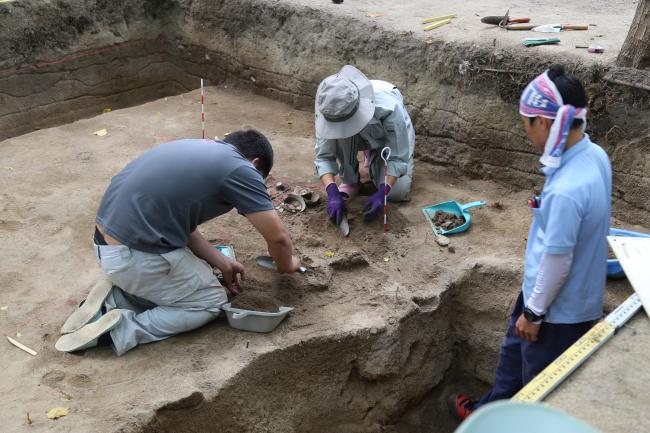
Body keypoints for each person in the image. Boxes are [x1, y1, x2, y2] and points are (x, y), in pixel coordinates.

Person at [449, 64, 612, 420]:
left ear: (545, 122)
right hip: (550, 294)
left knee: (537, 389)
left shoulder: (569, 189)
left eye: (526, 121)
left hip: (555, 313)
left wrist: (534, 314)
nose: (524, 130)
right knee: (511, 365)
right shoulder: (593, 155)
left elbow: (558, 259)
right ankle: (485, 415)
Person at [56, 130, 302, 356]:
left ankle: (111, 300)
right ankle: (120, 330)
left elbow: (180, 224)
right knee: (209, 301)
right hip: (133, 256)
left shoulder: (197, 148)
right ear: (255, 163)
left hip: (107, 246)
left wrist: (220, 260)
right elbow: (278, 238)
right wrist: (287, 264)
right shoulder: (242, 168)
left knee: (183, 278)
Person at [314, 65, 415, 225]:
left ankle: (375, 157)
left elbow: (397, 155)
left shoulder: (389, 108)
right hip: (356, 137)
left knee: (396, 193)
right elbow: (324, 156)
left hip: (385, 139)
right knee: (340, 135)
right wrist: (331, 190)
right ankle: (350, 179)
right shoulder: (328, 107)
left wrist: (383, 192)